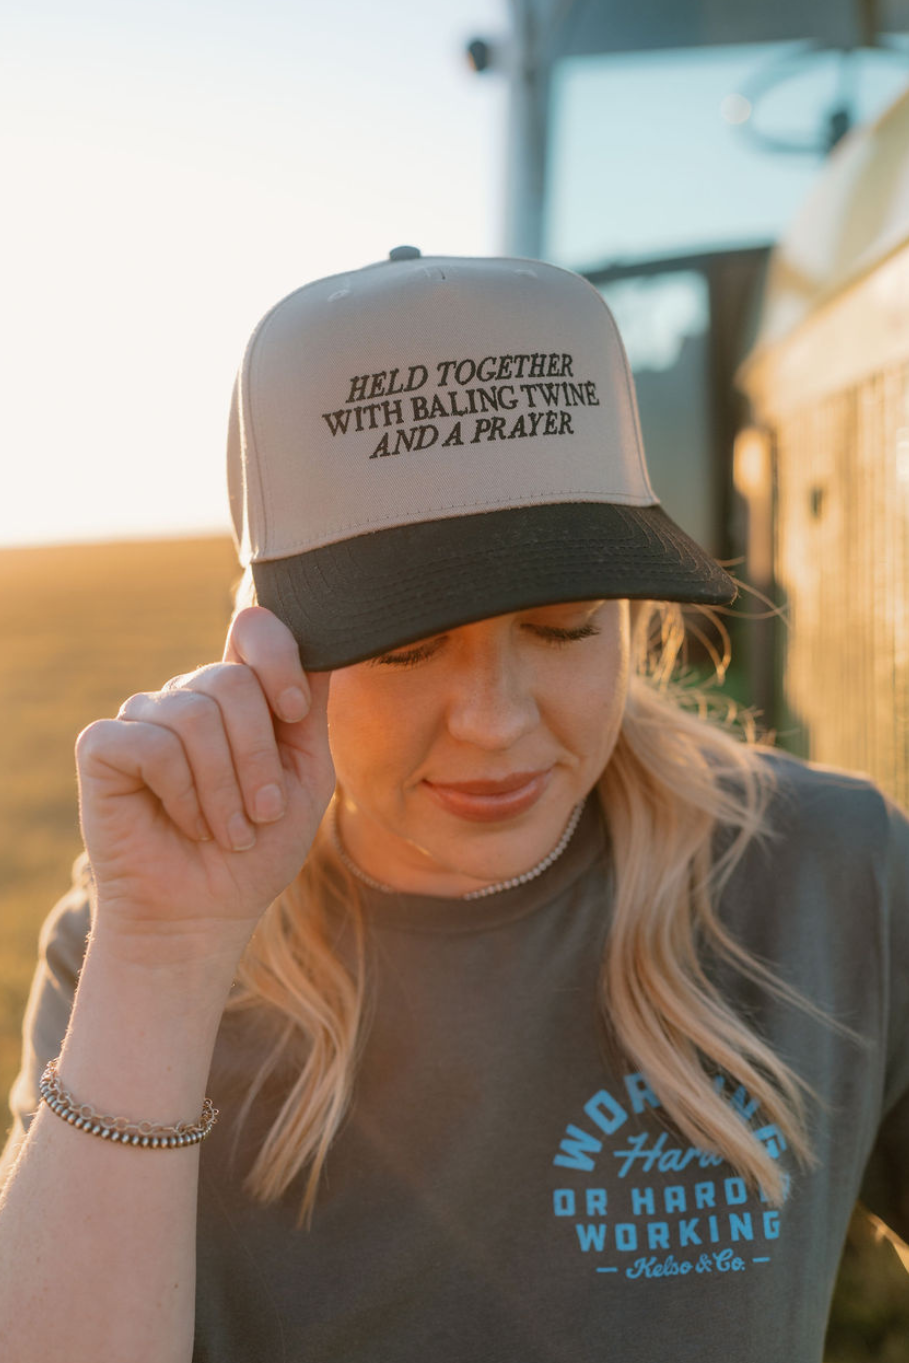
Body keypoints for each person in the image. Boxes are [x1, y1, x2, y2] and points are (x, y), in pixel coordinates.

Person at [0, 249, 906, 1363]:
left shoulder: (825, 871)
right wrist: (167, 960)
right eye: (407, 644)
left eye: (565, 623)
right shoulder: (130, 949)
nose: (493, 719)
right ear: (269, 651)